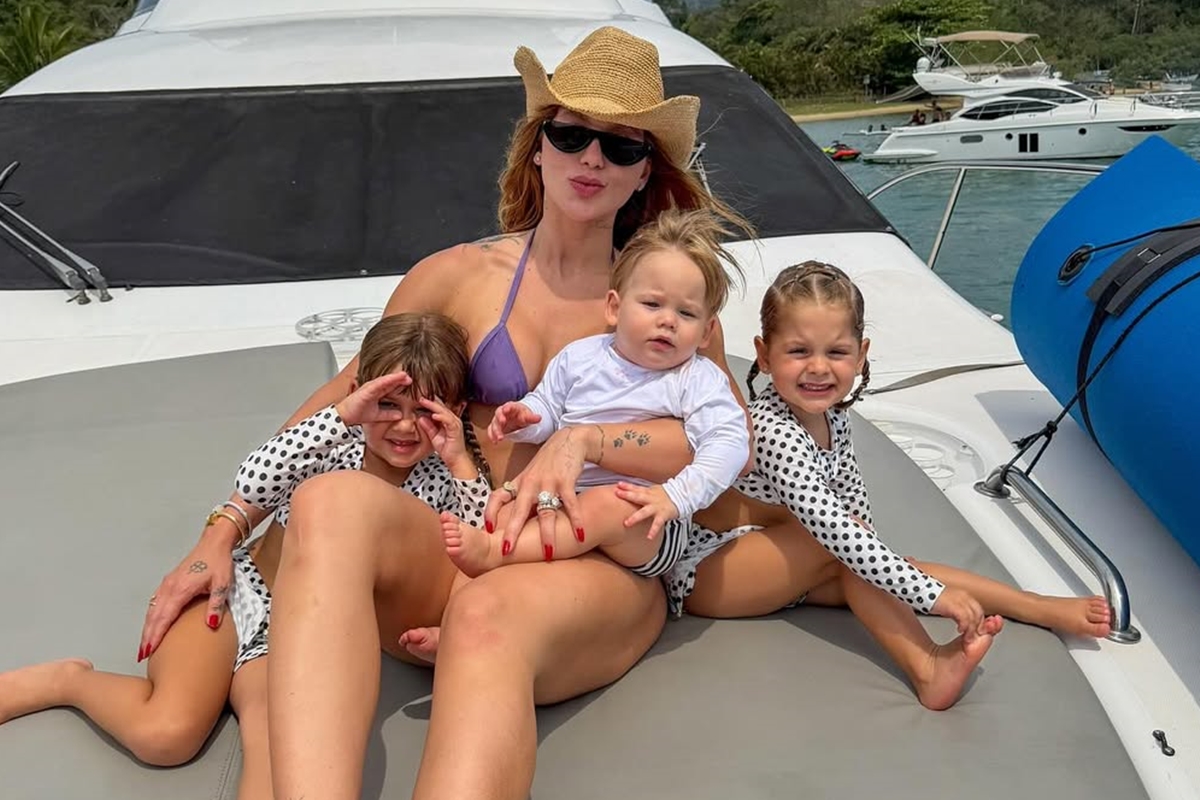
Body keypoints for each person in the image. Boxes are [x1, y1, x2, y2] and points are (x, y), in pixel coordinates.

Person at [133, 26, 756, 800]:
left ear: (643, 174)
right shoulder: (455, 276)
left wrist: (588, 440)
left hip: (593, 568)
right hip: (464, 540)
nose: (591, 158)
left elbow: (725, 454)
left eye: (621, 146)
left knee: (488, 615)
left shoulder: (670, 304)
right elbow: (345, 401)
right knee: (329, 499)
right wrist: (221, 531)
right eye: (571, 134)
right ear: (538, 148)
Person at [0, 312, 489, 800]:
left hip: (301, 636)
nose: (404, 425)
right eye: (387, 404)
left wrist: (460, 461)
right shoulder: (331, 442)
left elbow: (478, 544)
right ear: (360, 393)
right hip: (239, 592)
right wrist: (340, 416)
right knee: (165, 733)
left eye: (424, 411)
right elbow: (254, 477)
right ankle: (68, 681)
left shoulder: (443, 480)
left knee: (282, 775)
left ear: (456, 410)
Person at [672, 262, 1113, 707]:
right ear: (765, 355)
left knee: (873, 561)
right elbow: (834, 528)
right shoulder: (774, 432)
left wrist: (891, 570)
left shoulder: (833, 417)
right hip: (709, 574)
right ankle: (928, 667)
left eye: (837, 352)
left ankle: (1031, 605)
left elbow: (853, 506)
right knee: (849, 549)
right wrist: (933, 596)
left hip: (782, 563)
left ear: (861, 355)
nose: (818, 368)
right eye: (799, 351)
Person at [443, 208, 750, 579]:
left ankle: (494, 553)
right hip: (565, 497)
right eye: (652, 304)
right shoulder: (581, 357)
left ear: (706, 332)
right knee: (508, 510)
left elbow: (730, 444)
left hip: (649, 520)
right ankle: (474, 582)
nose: (667, 320)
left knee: (606, 505)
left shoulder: (697, 378)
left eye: (686, 313)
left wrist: (677, 496)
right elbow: (549, 406)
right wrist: (525, 419)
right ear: (614, 308)